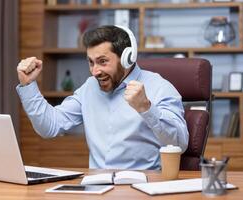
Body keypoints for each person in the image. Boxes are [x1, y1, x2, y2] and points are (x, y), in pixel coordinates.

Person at [16, 25, 189, 170]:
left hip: (143, 186)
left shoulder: (159, 88)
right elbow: (49, 126)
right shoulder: (89, 87)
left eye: (102, 61)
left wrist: (147, 108)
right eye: (91, 62)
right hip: (96, 187)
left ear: (127, 58)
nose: (95, 71)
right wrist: (28, 86)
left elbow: (179, 144)